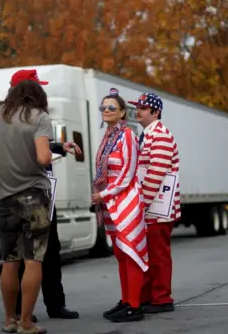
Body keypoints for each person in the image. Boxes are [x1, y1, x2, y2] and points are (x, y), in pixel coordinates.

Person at [0, 69, 54, 334]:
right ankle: (26, 322)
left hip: (4, 197)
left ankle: (9, 320)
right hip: (33, 196)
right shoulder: (39, 117)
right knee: (33, 261)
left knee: (9, 261)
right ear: (37, 95)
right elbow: (44, 157)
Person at [91, 88, 149, 323]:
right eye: (103, 107)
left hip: (126, 201)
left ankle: (135, 306)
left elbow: (127, 174)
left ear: (122, 112)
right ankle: (126, 300)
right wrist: (101, 194)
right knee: (121, 254)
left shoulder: (127, 136)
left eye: (111, 107)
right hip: (110, 203)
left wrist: (103, 194)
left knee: (131, 253)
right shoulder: (107, 137)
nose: (106, 110)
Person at [14, 139, 82, 322]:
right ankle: (20, 309)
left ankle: (56, 305)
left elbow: (44, 143)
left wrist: (59, 146)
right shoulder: (18, 123)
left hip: (45, 194)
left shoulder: (38, 120)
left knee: (51, 251)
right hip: (24, 195)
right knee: (24, 254)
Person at [128, 92, 180, 314]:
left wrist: (142, 203)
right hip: (152, 208)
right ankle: (150, 296)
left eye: (143, 107)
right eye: (137, 107)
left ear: (155, 111)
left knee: (158, 255)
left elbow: (156, 173)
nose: (137, 111)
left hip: (158, 209)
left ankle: (162, 299)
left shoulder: (159, 135)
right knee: (149, 255)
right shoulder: (149, 135)